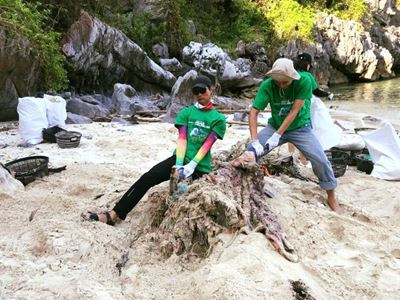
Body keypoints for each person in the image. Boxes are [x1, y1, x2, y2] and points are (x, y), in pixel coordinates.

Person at [82, 75, 227, 225]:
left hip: (200, 166)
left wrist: (192, 165)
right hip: (180, 158)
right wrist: (178, 164)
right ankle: (114, 214)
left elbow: (207, 144)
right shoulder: (187, 112)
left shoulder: (219, 119)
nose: (199, 95)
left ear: (211, 90)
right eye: (195, 91)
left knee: (186, 198)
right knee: (148, 177)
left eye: (202, 91)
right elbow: (182, 139)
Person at [248, 58, 343, 213]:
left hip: (300, 127)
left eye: (285, 82)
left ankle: (331, 195)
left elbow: (294, 110)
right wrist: (254, 140)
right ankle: (252, 186)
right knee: (250, 153)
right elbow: (253, 112)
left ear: (292, 77)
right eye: (278, 82)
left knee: (320, 159)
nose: (281, 85)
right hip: (275, 125)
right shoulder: (267, 86)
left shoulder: (304, 81)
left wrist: (278, 135)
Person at [288, 53, 339, 164]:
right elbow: (317, 92)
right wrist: (328, 94)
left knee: (290, 130)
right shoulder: (307, 76)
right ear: (307, 65)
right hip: (303, 109)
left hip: (290, 107)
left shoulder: (292, 74)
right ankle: (303, 160)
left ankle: (290, 157)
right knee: (303, 134)